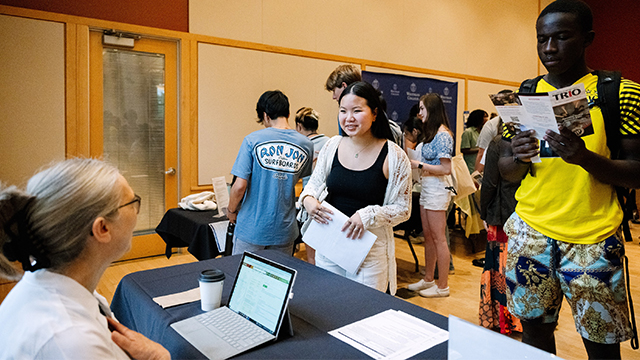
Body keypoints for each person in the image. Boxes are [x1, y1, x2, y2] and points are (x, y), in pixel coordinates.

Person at [498, 1, 640, 358]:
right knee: (534, 337)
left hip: (592, 236)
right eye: (542, 39)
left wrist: (584, 158)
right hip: (530, 232)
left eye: (562, 37)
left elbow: (638, 172)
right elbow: (506, 170)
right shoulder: (525, 93)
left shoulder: (619, 92)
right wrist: (517, 154)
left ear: (587, 39)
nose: (549, 48)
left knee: (602, 346)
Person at [0, 158, 170, 360]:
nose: (136, 211)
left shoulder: (52, 283)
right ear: (102, 228)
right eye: (132, 202)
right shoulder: (73, 343)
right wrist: (160, 357)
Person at [299, 81, 411, 294]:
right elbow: (313, 184)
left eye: (357, 111)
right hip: (329, 244)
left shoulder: (394, 156)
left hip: (369, 252)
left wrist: (367, 215)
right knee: (329, 309)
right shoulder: (333, 145)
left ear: (375, 113)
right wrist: (309, 200)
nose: (348, 118)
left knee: (364, 315)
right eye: (343, 111)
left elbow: (403, 209)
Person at [228, 90, 314, 256]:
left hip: (251, 228)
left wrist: (231, 211)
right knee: (278, 279)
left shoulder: (252, 140)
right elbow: (307, 184)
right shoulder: (306, 144)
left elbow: (239, 186)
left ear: (265, 116)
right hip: (285, 229)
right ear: (288, 113)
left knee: (244, 278)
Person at [407, 93, 454, 298]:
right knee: (428, 236)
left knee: (438, 238)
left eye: (423, 109)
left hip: (437, 188)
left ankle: (442, 286)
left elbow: (445, 168)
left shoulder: (444, 135)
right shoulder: (432, 133)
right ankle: (428, 279)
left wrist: (417, 164)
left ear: (432, 110)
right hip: (427, 185)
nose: (420, 113)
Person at [478, 133, 522, 335]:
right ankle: (522, 318)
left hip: (502, 213)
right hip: (528, 214)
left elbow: (489, 183)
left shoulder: (499, 142)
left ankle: (501, 318)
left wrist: (484, 212)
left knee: (499, 268)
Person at [294, 107, 329, 265]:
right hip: (330, 202)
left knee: (312, 256)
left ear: (299, 126)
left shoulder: (302, 145)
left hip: (311, 201)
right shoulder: (330, 142)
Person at [475, 91, 513, 173]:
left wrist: (477, 175)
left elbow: (481, 153)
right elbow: (482, 153)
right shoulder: (492, 124)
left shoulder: (491, 124)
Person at [326, 64, 363, 136]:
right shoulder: (370, 107)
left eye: (334, 91)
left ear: (344, 86)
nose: (333, 97)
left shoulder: (344, 114)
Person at [460, 109, 488, 174]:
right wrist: (480, 150)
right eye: (484, 117)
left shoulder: (483, 132)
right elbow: (464, 149)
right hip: (470, 167)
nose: (486, 119)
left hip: (482, 167)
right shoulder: (468, 132)